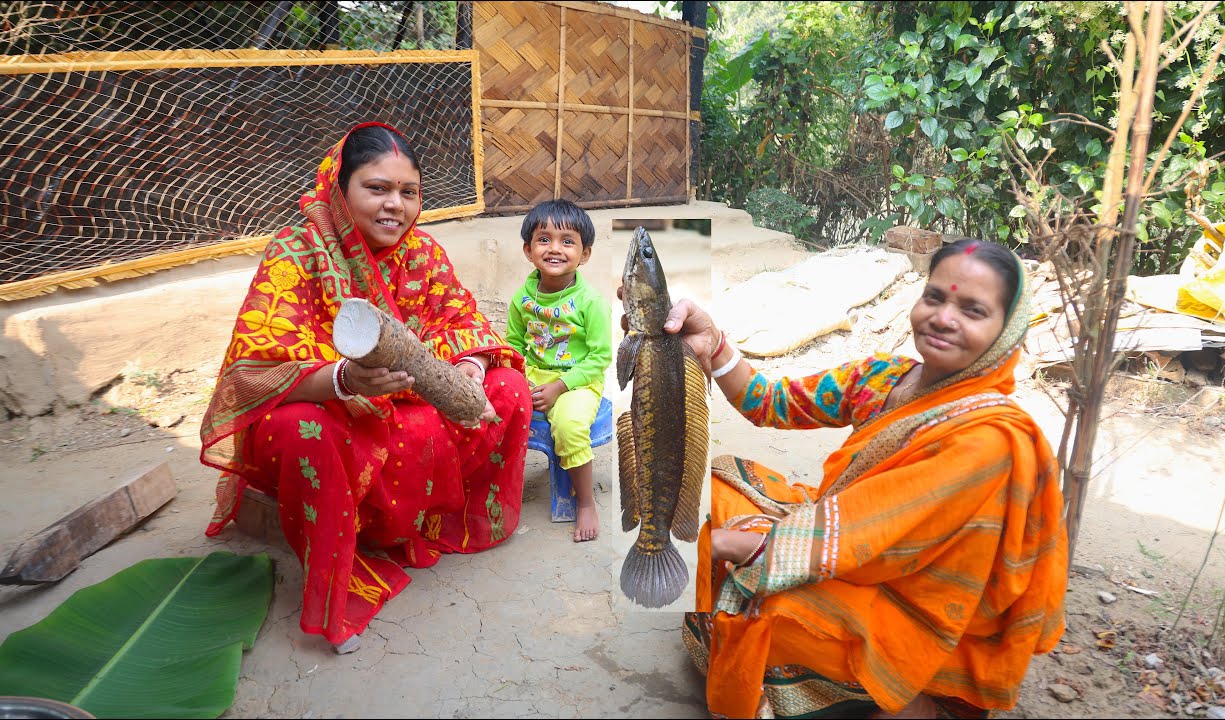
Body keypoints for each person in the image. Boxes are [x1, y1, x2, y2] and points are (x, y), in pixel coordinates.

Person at [627, 239, 1067, 718]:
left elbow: (873, 531)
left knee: (754, 601)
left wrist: (737, 547)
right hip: (848, 545)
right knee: (714, 487)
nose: (944, 317)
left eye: (974, 309)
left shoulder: (987, 440)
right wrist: (711, 344)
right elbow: (768, 400)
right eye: (935, 297)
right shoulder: (883, 377)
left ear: (1007, 333)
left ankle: (914, 698)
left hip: (906, 598)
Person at [199, 122, 532, 654]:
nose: (395, 205)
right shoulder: (298, 252)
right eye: (377, 188)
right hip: (336, 414)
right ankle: (340, 576)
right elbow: (253, 371)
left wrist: (468, 364)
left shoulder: (422, 250)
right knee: (299, 430)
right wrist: (342, 379)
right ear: (339, 187)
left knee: (509, 386)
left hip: (409, 400)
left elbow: (458, 318)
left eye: (408, 192)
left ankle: (438, 525)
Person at [505, 199, 611, 542]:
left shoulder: (591, 302)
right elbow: (514, 345)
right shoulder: (523, 297)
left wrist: (560, 387)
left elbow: (599, 358)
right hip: (534, 375)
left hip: (578, 381)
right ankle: (496, 491)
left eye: (568, 241)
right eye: (544, 239)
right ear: (528, 249)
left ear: (585, 253)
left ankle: (584, 502)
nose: (555, 248)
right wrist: (518, 380)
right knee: (494, 402)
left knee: (568, 426)